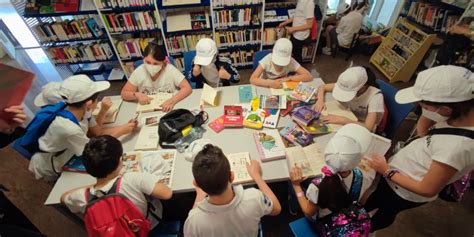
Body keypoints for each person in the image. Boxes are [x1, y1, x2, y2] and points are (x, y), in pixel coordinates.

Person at [365, 65, 474, 232]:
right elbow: (423, 132)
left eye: (423, 106)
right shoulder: (459, 113)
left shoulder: (457, 147)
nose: (422, 110)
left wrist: (387, 171)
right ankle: (362, 215)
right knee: (375, 199)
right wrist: (430, 112)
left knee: (386, 211)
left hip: (404, 190)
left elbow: (427, 189)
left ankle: (364, 229)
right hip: (395, 175)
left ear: (445, 109)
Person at [28, 75, 135, 181]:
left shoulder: (81, 109)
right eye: (97, 99)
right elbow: (93, 151)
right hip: (49, 165)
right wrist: (122, 131)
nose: (98, 102)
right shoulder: (68, 128)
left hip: (70, 151)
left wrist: (125, 127)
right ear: (89, 103)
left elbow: (98, 132)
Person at [61, 135, 172, 229]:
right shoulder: (132, 179)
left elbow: (63, 197)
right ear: (120, 161)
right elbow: (166, 194)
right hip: (146, 227)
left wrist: (94, 186)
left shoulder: (82, 197)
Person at [184, 144, 281, 236]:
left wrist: (199, 196)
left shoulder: (194, 221)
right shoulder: (254, 197)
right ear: (232, 176)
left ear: (196, 184)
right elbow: (276, 209)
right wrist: (256, 175)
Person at [289, 124, 375, 219]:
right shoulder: (367, 175)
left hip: (325, 222)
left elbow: (308, 212)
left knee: (292, 183)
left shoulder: (317, 186)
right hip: (346, 215)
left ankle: (293, 208)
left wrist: (296, 185)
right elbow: (362, 201)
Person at [121, 42, 192, 112]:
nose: (151, 66)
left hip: (168, 108)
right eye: (148, 62)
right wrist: (136, 95)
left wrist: (172, 101)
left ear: (164, 62)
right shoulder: (139, 71)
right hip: (147, 109)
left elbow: (187, 88)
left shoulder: (170, 69)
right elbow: (124, 93)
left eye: (155, 64)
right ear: (143, 59)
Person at [314, 66, 385, 132]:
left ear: (363, 87)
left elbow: (368, 128)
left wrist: (342, 120)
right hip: (347, 114)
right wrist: (320, 100)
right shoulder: (349, 84)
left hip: (360, 126)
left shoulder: (376, 97)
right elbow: (323, 87)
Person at [34, 81, 113, 127]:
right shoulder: (69, 123)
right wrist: (103, 111)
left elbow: (95, 129)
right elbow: (97, 133)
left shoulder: (81, 111)